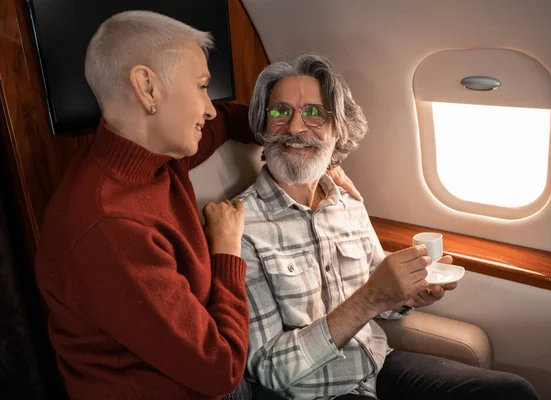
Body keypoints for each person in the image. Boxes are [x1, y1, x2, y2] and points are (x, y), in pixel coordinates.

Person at [34, 12, 360, 400]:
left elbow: (231, 119)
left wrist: (317, 153)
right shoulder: (111, 227)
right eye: (202, 87)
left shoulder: (157, 155)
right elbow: (219, 369)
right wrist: (225, 250)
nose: (208, 107)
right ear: (147, 88)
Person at [238, 53, 539, 399]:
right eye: (279, 111)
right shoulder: (243, 226)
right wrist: (370, 299)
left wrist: (409, 293)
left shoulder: (348, 203)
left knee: (512, 392)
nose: (294, 127)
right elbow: (269, 369)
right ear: (263, 125)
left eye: (314, 113)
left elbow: (382, 293)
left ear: (338, 130)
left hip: (376, 367)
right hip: (310, 391)